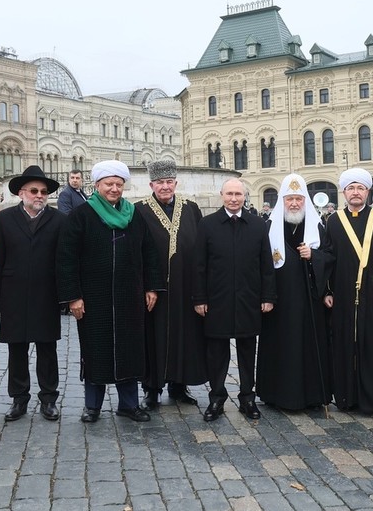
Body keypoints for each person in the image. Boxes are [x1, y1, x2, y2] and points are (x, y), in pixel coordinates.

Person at [57, 160, 163, 423]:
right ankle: (92, 406)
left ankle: (128, 404)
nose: (114, 189)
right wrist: (73, 296)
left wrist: (151, 286)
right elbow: (66, 257)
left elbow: (149, 251)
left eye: (118, 184)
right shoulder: (82, 214)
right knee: (96, 351)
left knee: (130, 351)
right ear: (97, 185)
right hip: (94, 298)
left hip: (130, 296)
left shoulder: (133, 214)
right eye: (109, 184)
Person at [0, 166, 65, 422]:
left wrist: (66, 294)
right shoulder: (3, 219)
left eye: (43, 192)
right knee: (16, 348)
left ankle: (49, 399)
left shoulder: (59, 220)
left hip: (47, 293)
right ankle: (19, 399)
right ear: (21, 193)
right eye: (34, 191)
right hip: (13, 292)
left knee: (47, 347)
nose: (39, 195)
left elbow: (64, 261)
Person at [194, 178, 276, 422]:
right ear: (222, 195)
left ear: (244, 196)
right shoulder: (207, 224)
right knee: (216, 352)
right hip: (216, 299)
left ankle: (247, 398)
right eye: (229, 194)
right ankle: (217, 398)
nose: (233, 198)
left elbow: (266, 265)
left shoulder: (258, 225)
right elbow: (199, 265)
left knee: (247, 351)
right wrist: (199, 298)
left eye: (238, 194)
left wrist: (268, 296)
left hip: (249, 298)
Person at [323, 168, 373, 413]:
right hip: (343, 295)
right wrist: (328, 291)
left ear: (367, 192)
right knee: (345, 346)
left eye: (360, 188)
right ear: (344, 192)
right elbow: (328, 258)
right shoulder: (333, 220)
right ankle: (347, 397)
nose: (355, 192)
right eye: (351, 188)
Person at [134, 160, 207, 409]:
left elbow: (200, 248)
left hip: (186, 286)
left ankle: (179, 385)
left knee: (184, 335)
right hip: (156, 289)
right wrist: (147, 286)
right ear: (151, 185)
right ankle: (151, 389)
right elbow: (137, 252)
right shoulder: (140, 210)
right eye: (159, 182)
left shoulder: (191, 208)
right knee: (153, 337)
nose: (165, 187)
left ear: (175, 183)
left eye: (169, 182)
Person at [256, 174, 331, 411]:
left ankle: (311, 395)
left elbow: (330, 257)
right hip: (279, 301)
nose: (295, 204)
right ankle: (276, 394)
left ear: (305, 200)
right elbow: (260, 263)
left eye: (299, 199)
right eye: (290, 199)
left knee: (308, 346)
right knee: (279, 346)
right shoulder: (269, 227)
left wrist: (314, 255)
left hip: (309, 301)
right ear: (283, 201)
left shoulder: (317, 226)